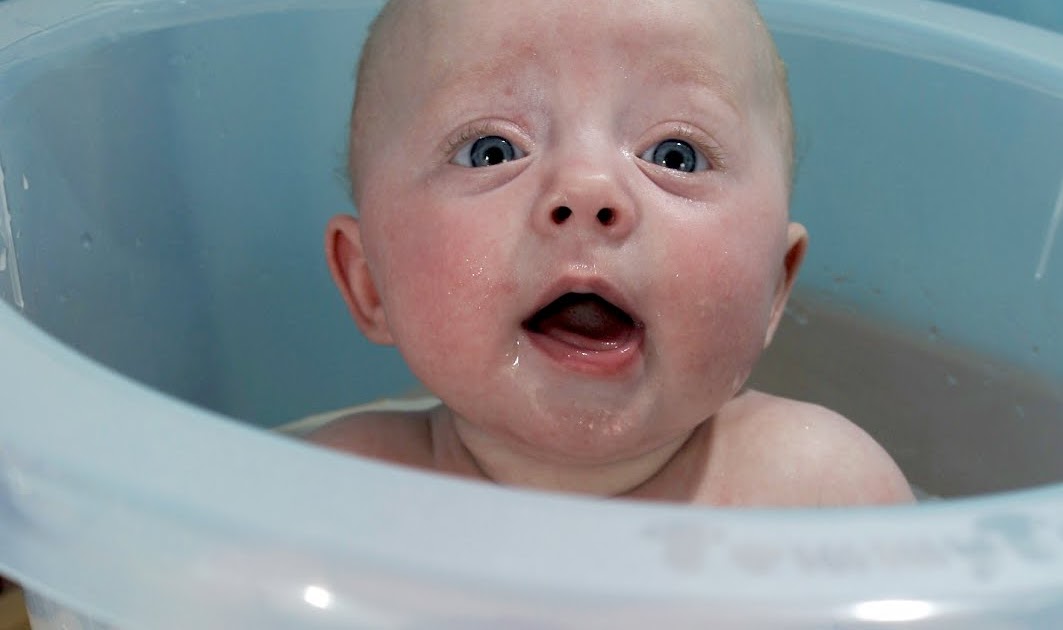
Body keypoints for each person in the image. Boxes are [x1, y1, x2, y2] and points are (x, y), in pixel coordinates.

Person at [308, 0, 914, 506]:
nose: (586, 188)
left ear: (774, 288)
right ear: (369, 282)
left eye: (675, 155)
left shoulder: (820, 498)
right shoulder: (333, 497)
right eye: (492, 151)